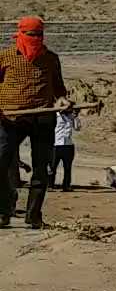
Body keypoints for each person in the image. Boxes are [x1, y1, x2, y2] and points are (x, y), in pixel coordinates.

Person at [0, 16, 69, 228]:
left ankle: (34, 216)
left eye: (38, 35)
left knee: (42, 169)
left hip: (43, 119)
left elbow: (59, 89)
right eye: (30, 35)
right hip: (10, 118)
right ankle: (5, 208)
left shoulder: (51, 58)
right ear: (20, 35)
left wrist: (63, 100)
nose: (34, 39)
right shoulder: (5, 56)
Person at [50, 107, 81, 192]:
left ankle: (66, 186)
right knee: (52, 167)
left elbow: (77, 128)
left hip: (68, 145)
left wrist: (75, 117)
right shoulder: (54, 116)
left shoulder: (71, 117)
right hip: (56, 145)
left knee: (67, 168)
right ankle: (50, 185)